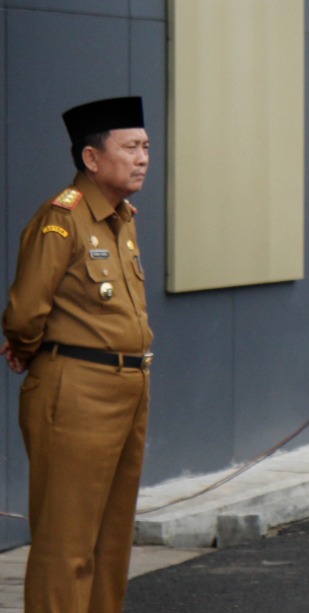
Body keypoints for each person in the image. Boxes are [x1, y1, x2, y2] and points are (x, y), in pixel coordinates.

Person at [2, 97, 153, 613]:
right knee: (66, 544)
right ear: (92, 159)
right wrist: (27, 349)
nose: (142, 158)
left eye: (146, 147)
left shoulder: (123, 220)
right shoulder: (61, 220)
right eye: (130, 147)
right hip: (77, 392)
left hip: (129, 389)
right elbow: (24, 314)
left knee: (111, 542)